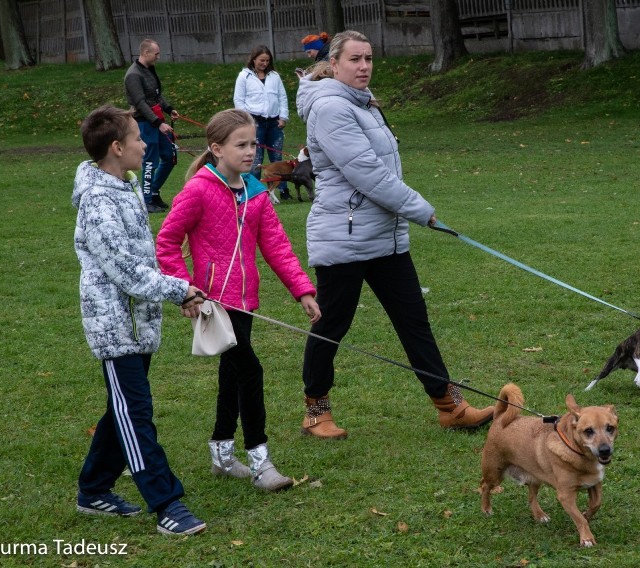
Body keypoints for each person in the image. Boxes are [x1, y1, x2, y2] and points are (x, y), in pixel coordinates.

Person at [295, 31, 494, 440]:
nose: (364, 66)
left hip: (384, 236)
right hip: (345, 238)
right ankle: (316, 411)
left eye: (368, 58)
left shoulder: (363, 103)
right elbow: (366, 172)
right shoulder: (332, 106)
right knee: (333, 323)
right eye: (354, 59)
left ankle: (449, 406)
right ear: (334, 65)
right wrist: (421, 210)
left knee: (413, 320)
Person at [156, 108, 321, 491]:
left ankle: (222, 455)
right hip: (213, 305)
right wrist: (186, 290)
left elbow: (276, 246)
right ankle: (261, 461)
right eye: (241, 145)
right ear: (216, 148)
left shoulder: (256, 192)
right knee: (250, 371)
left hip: (244, 303)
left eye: (253, 145)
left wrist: (303, 291)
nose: (250, 153)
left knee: (232, 377)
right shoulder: (198, 189)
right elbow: (166, 242)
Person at [72, 104, 207, 536]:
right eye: (136, 138)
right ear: (116, 148)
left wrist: (177, 290)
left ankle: (93, 489)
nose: (144, 144)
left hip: (138, 323)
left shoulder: (123, 186)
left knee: (123, 411)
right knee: (137, 415)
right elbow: (124, 271)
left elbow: (140, 260)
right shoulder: (97, 201)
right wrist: (177, 289)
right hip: (115, 327)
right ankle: (166, 502)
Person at [124, 38, 179, 213]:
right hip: (145, 124)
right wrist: (159, 123)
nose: (158, 57)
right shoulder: (133, 75)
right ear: (145, 53)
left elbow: (155, 96)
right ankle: (145, 201)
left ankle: (153, 192)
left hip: (157, 121)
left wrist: (169, 109)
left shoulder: (149, 69)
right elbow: (140, 103)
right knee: (150, 162)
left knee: (170, 156)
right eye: (156, 54)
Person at [233, 46, 291, 200]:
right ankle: (254, 191)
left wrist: (283, 117)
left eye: (267, 61)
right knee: (255, 158)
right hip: (254, 122)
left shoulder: (274, 76)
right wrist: (247, 119)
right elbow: (238, 100)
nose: (264, 63)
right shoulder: (244, 76)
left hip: (274, 122)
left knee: (277, 158)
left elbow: (282, 97)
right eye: (261, 60)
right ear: (254, 59)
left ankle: (283, 190)